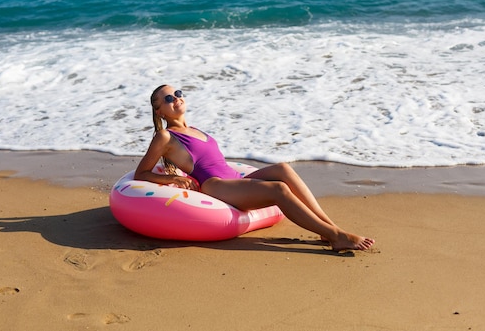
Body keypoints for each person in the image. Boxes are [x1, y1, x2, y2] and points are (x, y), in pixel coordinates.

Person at [134, 84, 375, 252]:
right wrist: (171, 180)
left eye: (178, 93)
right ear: (159, 111)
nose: (176, 98)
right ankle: (337, 237)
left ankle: (328, 227)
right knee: (279, 189)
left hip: (230, 179)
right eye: (168, 98)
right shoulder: (165, 137)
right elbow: (141, 174)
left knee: (283, 169)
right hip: (215, 186)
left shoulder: (196, 129)